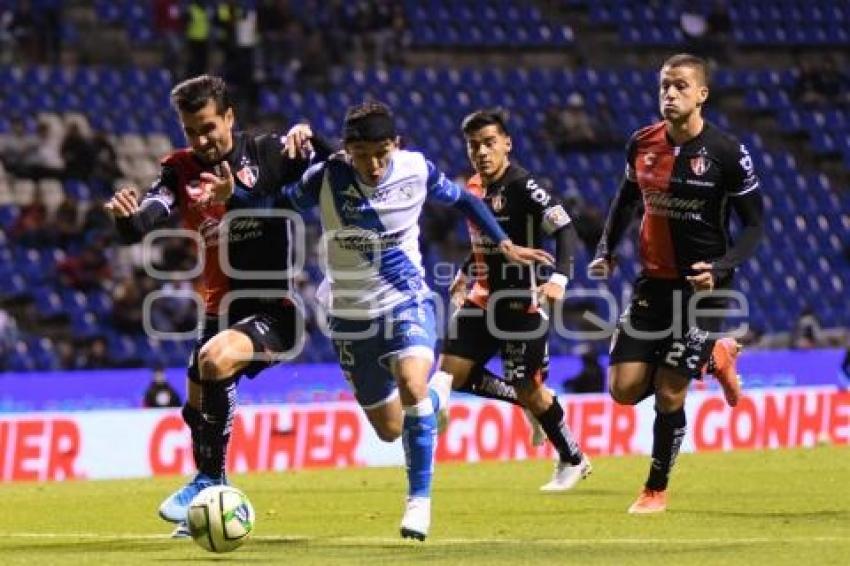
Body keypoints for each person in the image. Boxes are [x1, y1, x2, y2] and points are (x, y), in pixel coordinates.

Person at [279, 101, 553, 540]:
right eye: (363, 154)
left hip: (406, 300)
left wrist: (503, 243)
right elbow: (278, 201)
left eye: (381, 153)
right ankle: (439, 397)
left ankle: (418, 503)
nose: (373, 164)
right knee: (391, 427)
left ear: (396, 145)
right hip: (350, 317)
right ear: (347, 150)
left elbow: (464, 198)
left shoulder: (415, 169)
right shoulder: (326, 177)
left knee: (411, 383)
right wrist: (293, 145)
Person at [104, 74, 330, 537]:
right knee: (195, 406)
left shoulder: (270, 153)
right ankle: (213, 497)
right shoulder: (179, 170)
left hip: (275, 310)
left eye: (208, 126)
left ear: (230, 117)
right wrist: (128, 222)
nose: (201, 140)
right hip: (218, 312)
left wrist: (314, 138)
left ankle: (207, 480)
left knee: (213, 360)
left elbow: (337, 170)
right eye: (191, 130)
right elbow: (151, 213)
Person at [588, 53, 764, 514]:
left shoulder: (727, 153)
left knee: (670, 391)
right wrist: (606, 248)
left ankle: (654, 489)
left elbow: (754, 226)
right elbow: (626, 199)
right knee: (623, 390)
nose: (670, 93)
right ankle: (714, 354)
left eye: (681, 86)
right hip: (652, 284)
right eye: (665, 85)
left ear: (702, 94)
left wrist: (721, 267)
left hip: (704, 289)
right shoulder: (641, 143)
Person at [440, 109, 591, 492]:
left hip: (521, 304)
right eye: (474, 146)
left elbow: (565, 228)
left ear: (507, 143)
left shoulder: (524, 185)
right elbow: (486, 241)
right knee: (452, 373)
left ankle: (573, 458)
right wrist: (464, 273)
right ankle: (530, 404)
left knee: (529, 388)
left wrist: (558, 279)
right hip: (481, 300)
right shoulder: (473, 187)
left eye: (490, 143)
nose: (482, 152)